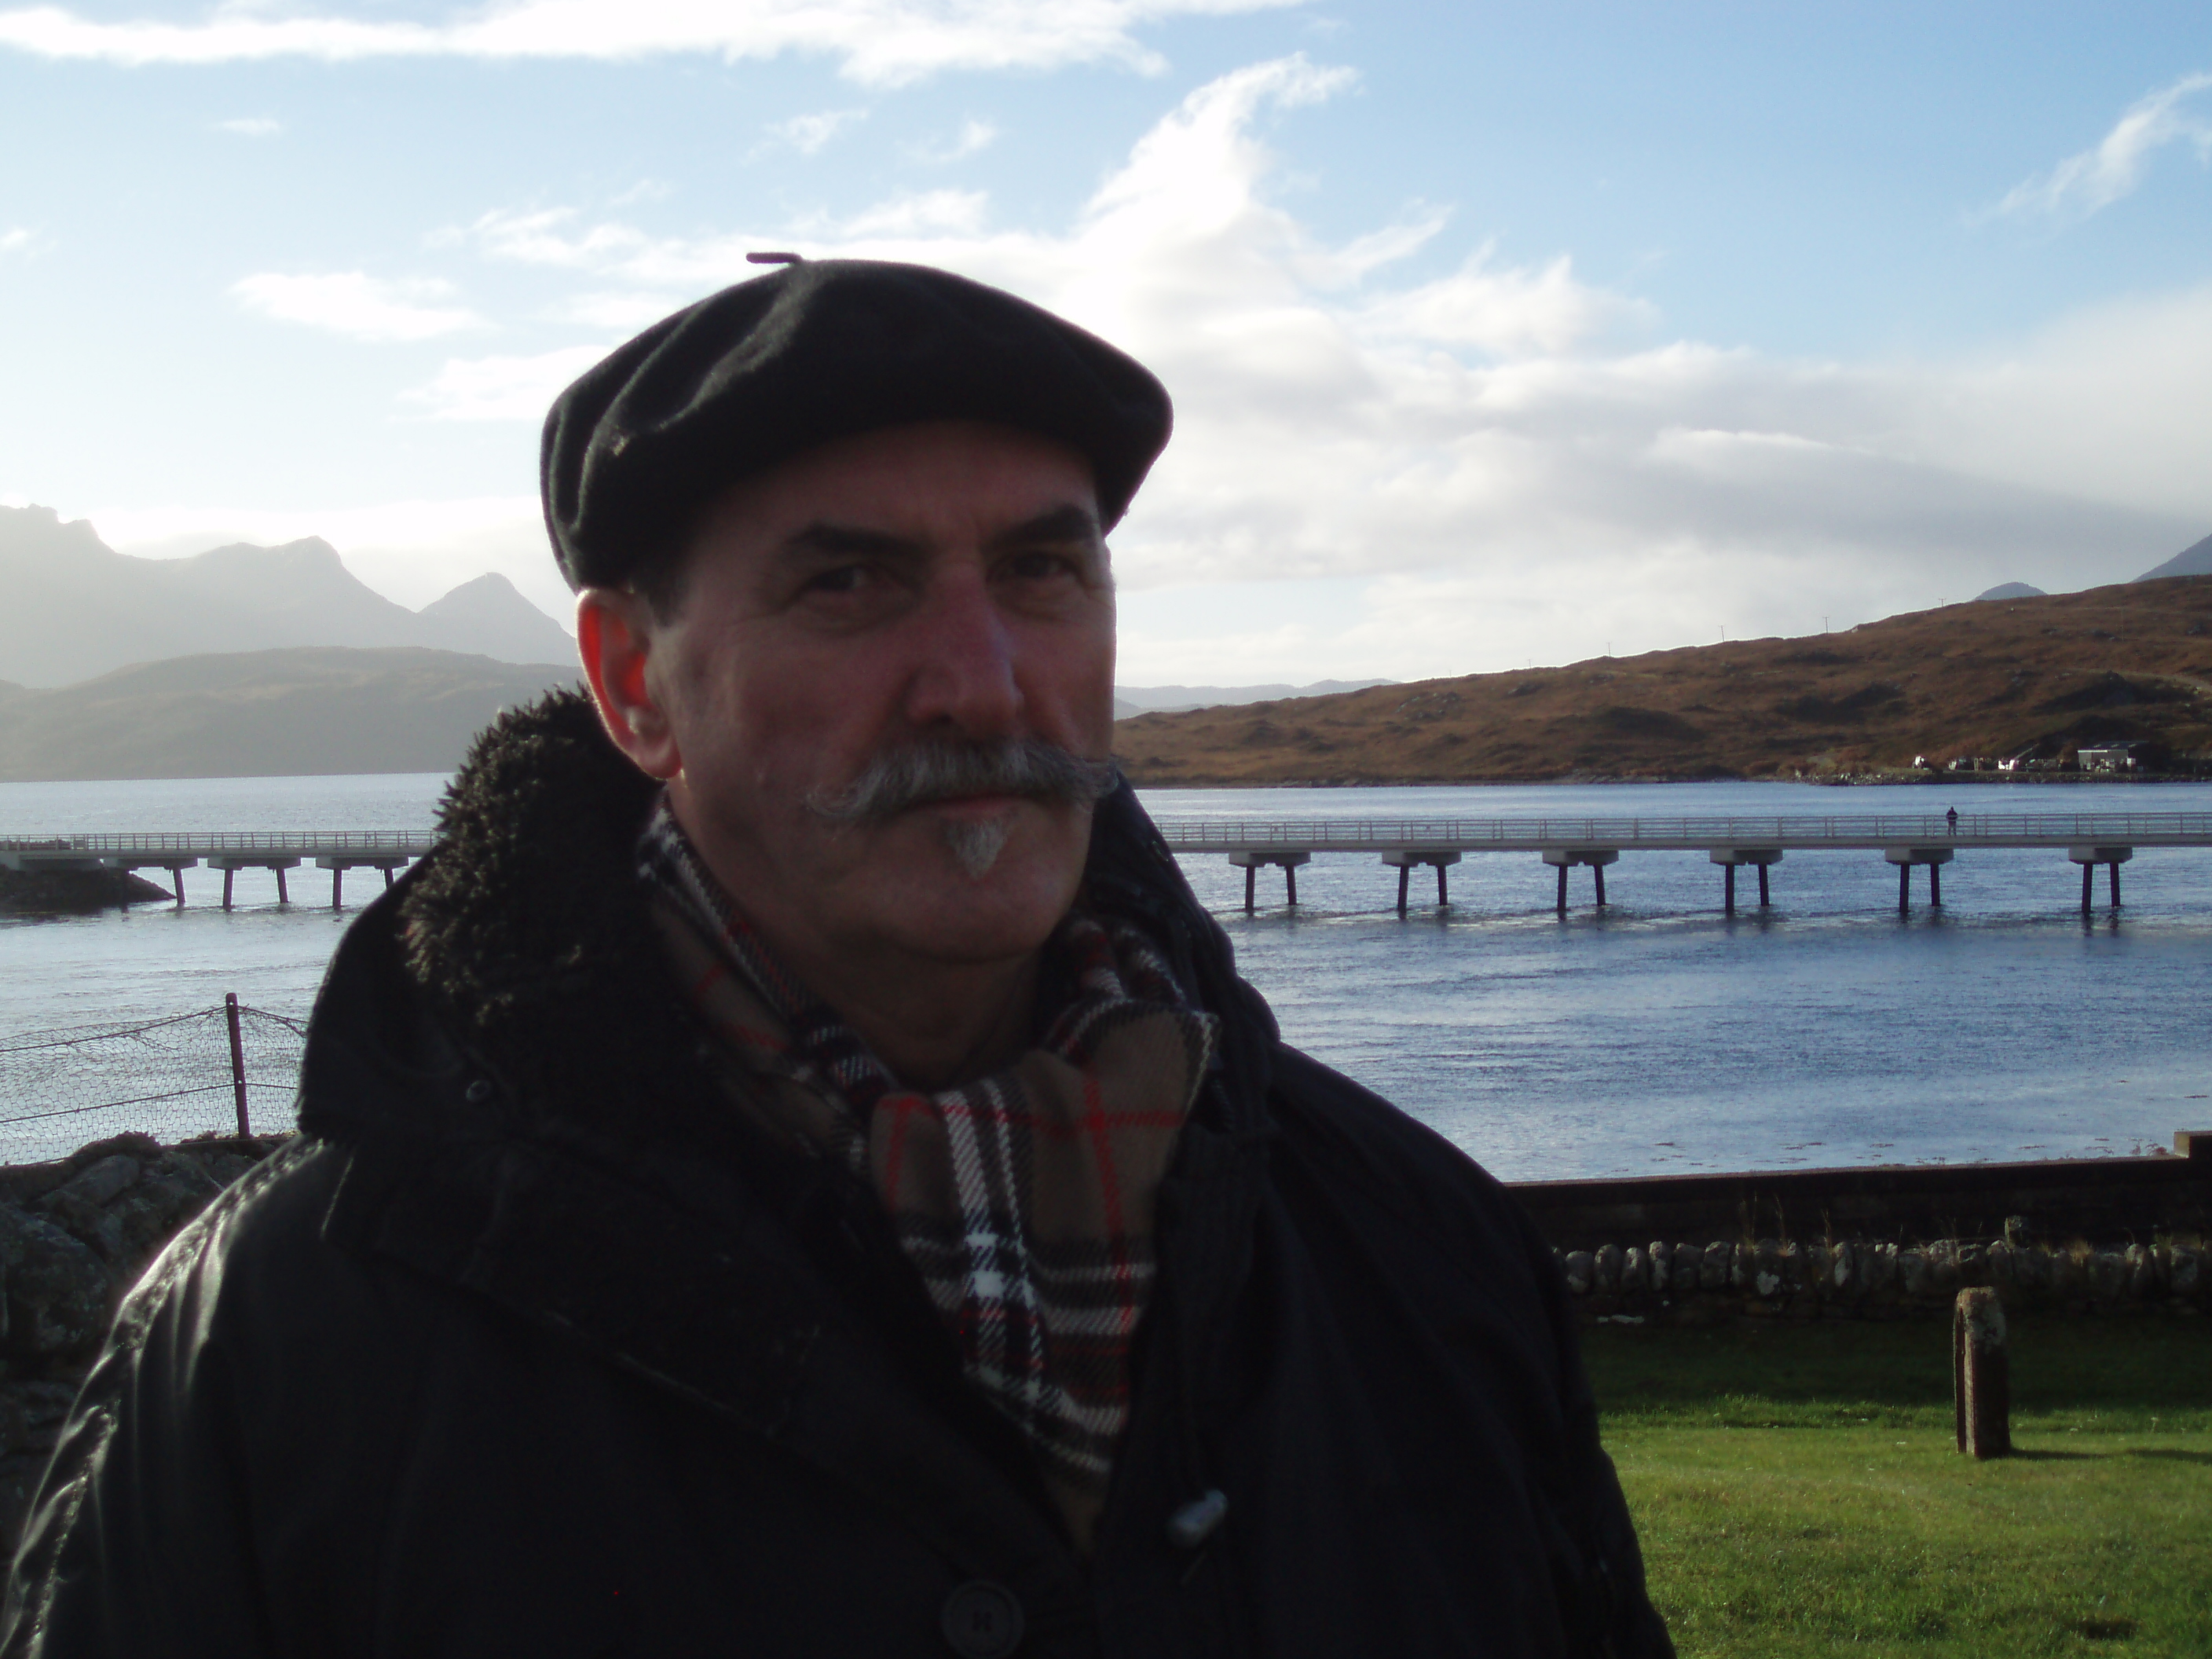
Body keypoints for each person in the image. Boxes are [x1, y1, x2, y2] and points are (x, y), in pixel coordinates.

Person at [3, 260, 1670, 1657]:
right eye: (850, 582)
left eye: (1041, 569)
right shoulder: (287, 1347)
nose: (983, 680)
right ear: (634, 683)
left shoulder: (1418, 1255)